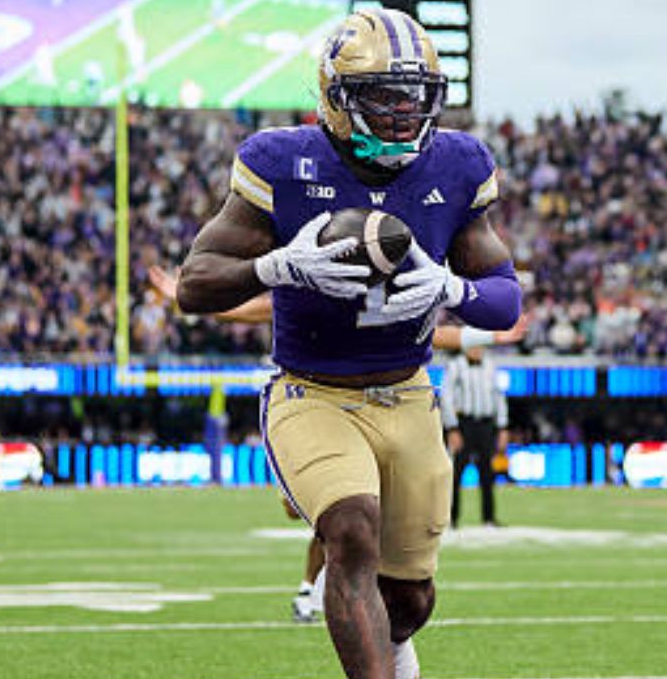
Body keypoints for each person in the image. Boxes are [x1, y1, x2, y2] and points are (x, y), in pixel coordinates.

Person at [175, 8, 520, 679]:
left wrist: (454, 288)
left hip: (407, 393)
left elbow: (506, 298)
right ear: (334, 96)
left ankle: (398, 654)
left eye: (415, 97)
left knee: (412, 596)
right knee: (349, 534)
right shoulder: (279, 162)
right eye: (382, 97)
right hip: (312, 391)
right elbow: (195, 283)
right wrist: (280, 267)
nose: (403, 114)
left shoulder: (458, 165)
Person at [147, 264, 526, 622]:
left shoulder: (385, 297)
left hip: (374, 409)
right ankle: (323, 582)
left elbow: (433, 334)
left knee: (350, 511)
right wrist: (183, 298)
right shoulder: (310, 289)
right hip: (303, 402)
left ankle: (316, 589)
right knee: (308, 513)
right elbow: (250, 311)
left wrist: (490, 336)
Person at [440, 342, 508, 528]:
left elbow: (499, 397)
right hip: (464, 425)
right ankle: (451, 519)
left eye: (480, 347)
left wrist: (502, 426)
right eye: (473, 346)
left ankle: (488, 518)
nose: (477, 350)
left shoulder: (490, 365)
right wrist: (452, 428)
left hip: (486, 425)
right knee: (456, 473)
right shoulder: (455, 366)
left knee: (488, 473)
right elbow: (446, 398)